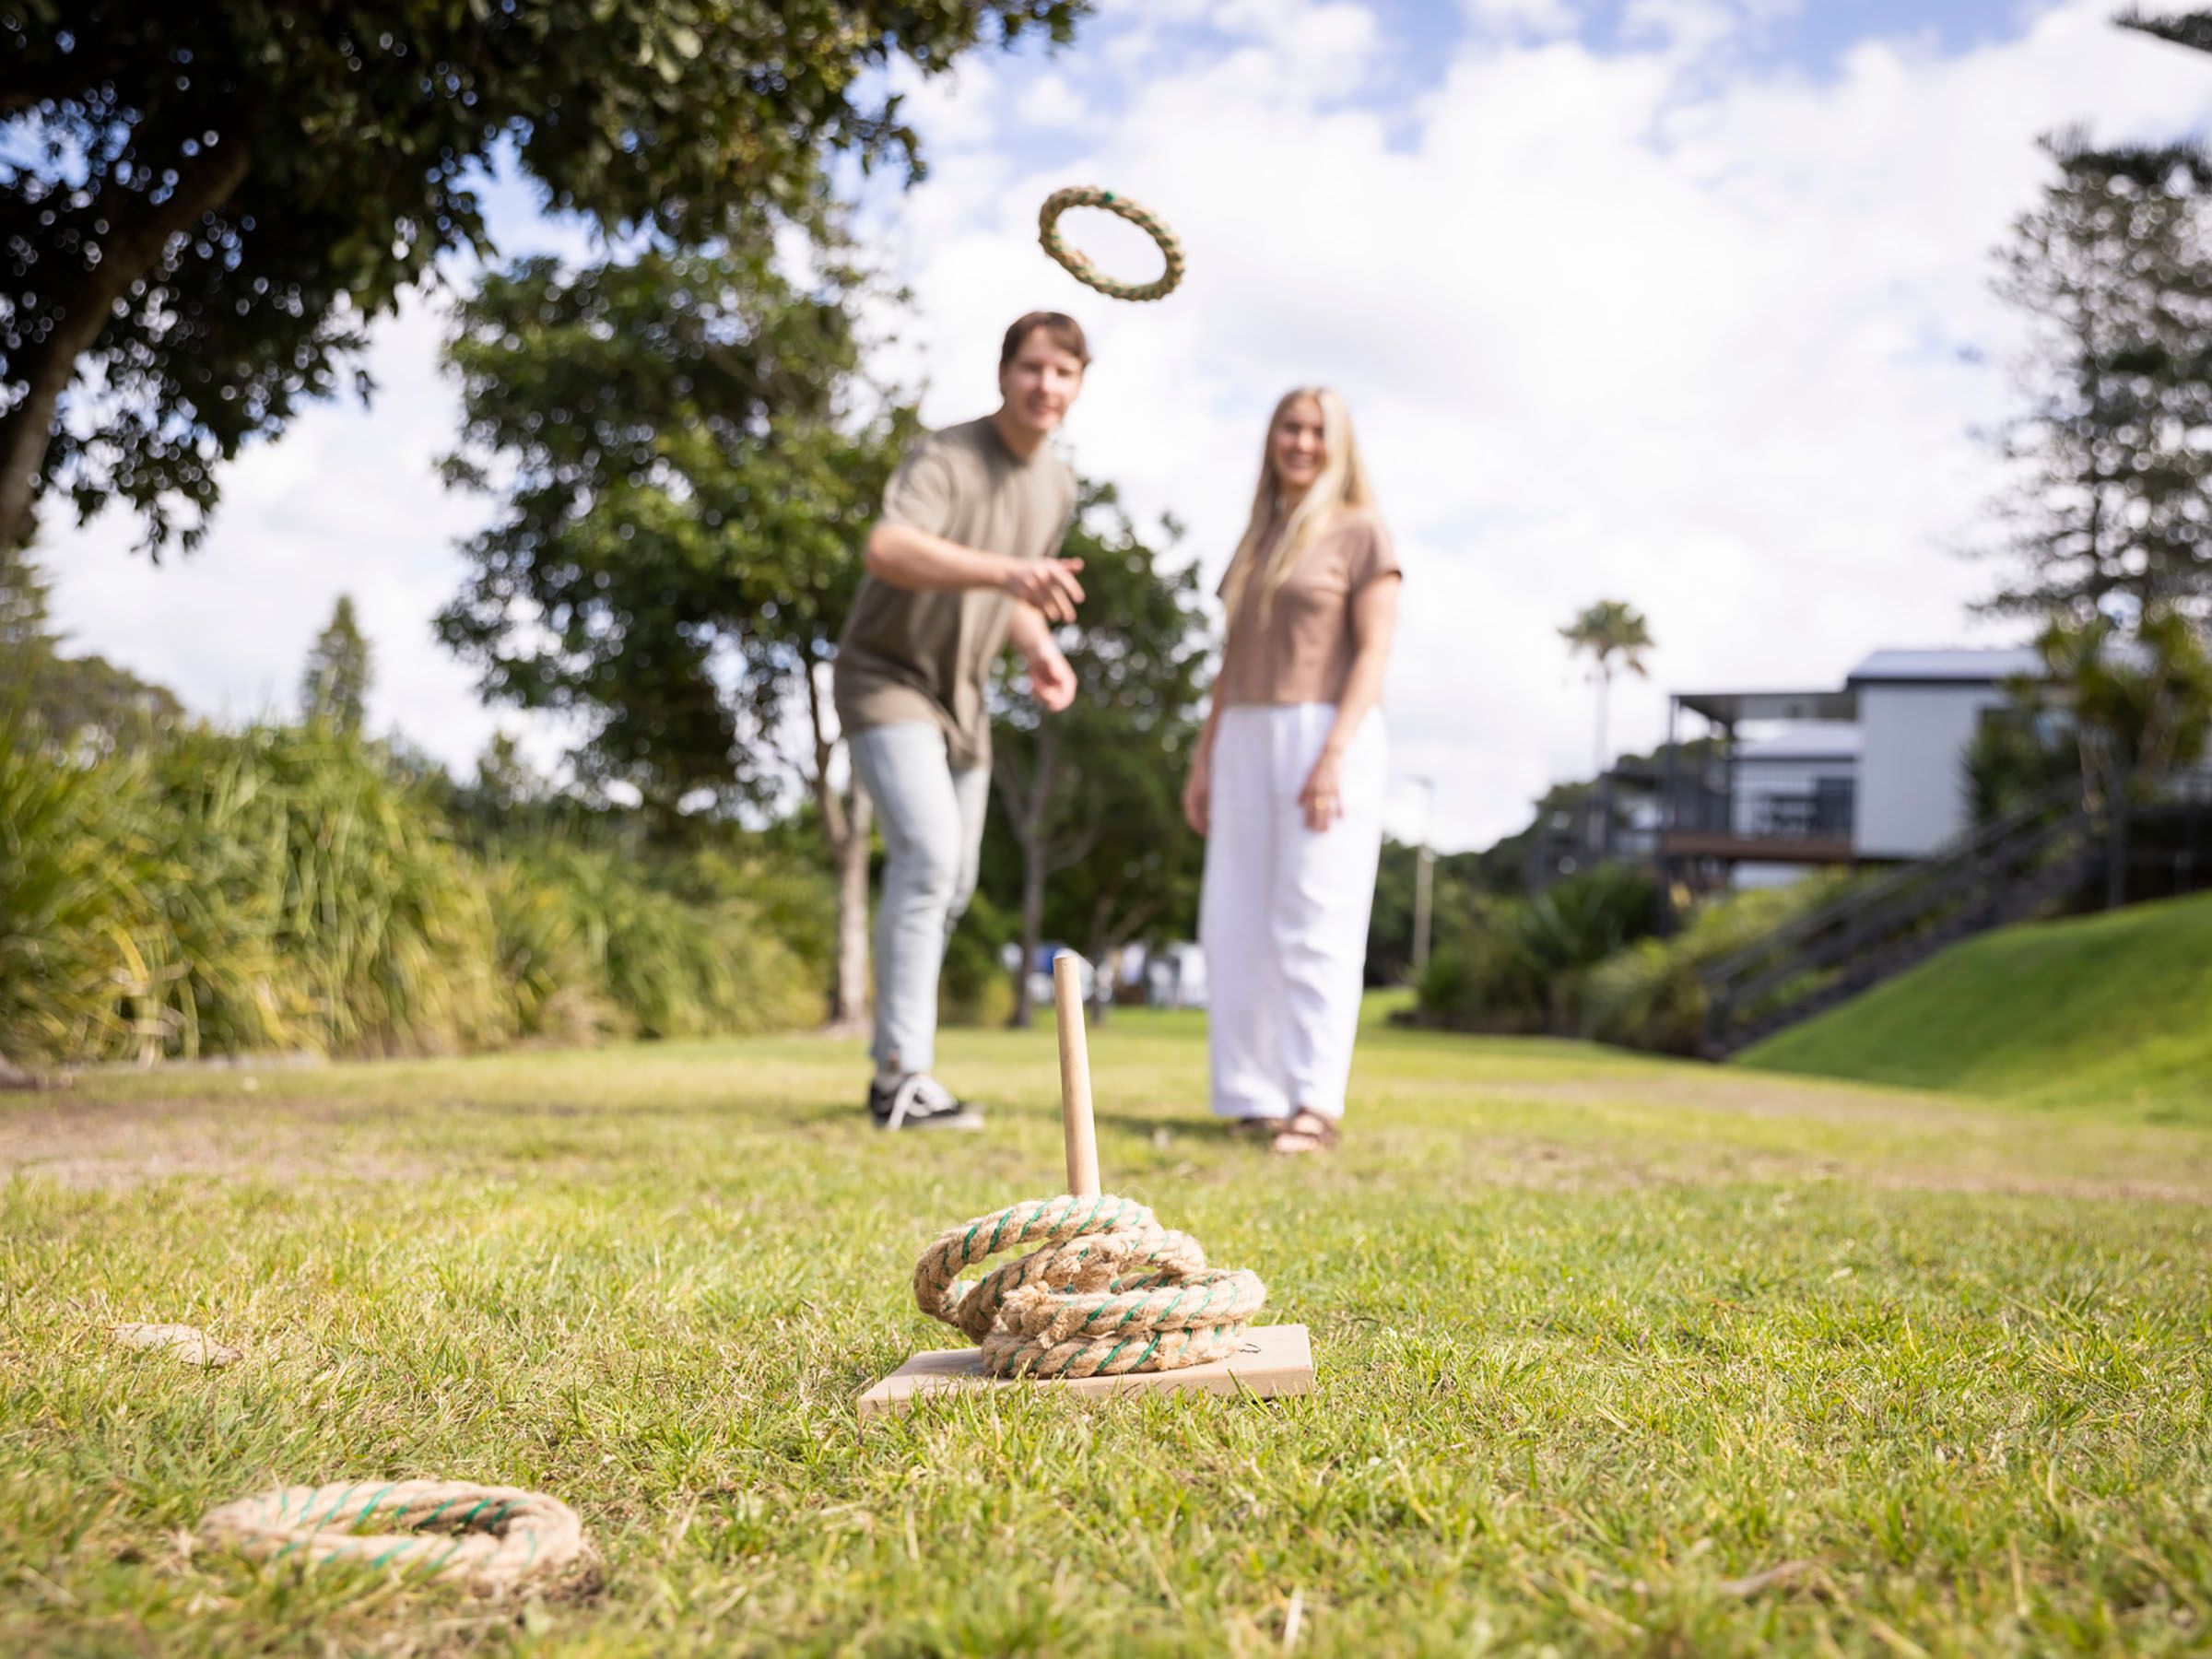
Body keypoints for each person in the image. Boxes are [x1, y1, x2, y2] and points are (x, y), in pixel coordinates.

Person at [833, 312, 1089, 1130]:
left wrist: (1039, 647)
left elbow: (1012, 595)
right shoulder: (946, 455)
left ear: (1078, 386)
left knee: (955, 885)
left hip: (963, 701)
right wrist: (1015, 572)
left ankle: (904, 1070)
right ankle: (901, 1080)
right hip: (887, 677)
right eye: (1032, 368)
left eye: (1063, 372)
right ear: (1004, 372)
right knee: (928, 856)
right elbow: (890, 548)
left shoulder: (1058, 484)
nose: (1045, 386)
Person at [1182, 388, 1401, 1155]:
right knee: (1236, 921)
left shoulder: (1362, 532)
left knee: (1316, 918)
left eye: (1317, 431)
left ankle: (1314, 1102)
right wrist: (1204, 756)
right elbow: (1229, 661)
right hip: (1243, 730)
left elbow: (1374, 651)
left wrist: (1333, 753)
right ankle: (1253, 1095)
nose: (1301, 442)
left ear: (1338, 443)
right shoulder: (1256, 538)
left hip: (1324, 730)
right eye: (1290, 427)